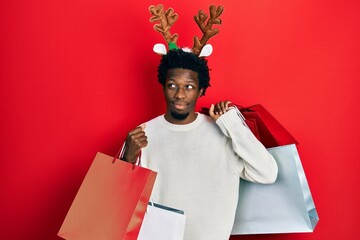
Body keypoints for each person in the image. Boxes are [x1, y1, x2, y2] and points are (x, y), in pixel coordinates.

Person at [123, 49, 278, 240]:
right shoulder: (143, 133)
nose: (180, 94)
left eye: (189, 86)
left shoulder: (223, 132)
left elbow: (267, 173)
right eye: (172, 85)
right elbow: (121, 203)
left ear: (201, 90)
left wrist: (233, 125)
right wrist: (127, 159)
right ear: (163, 86)